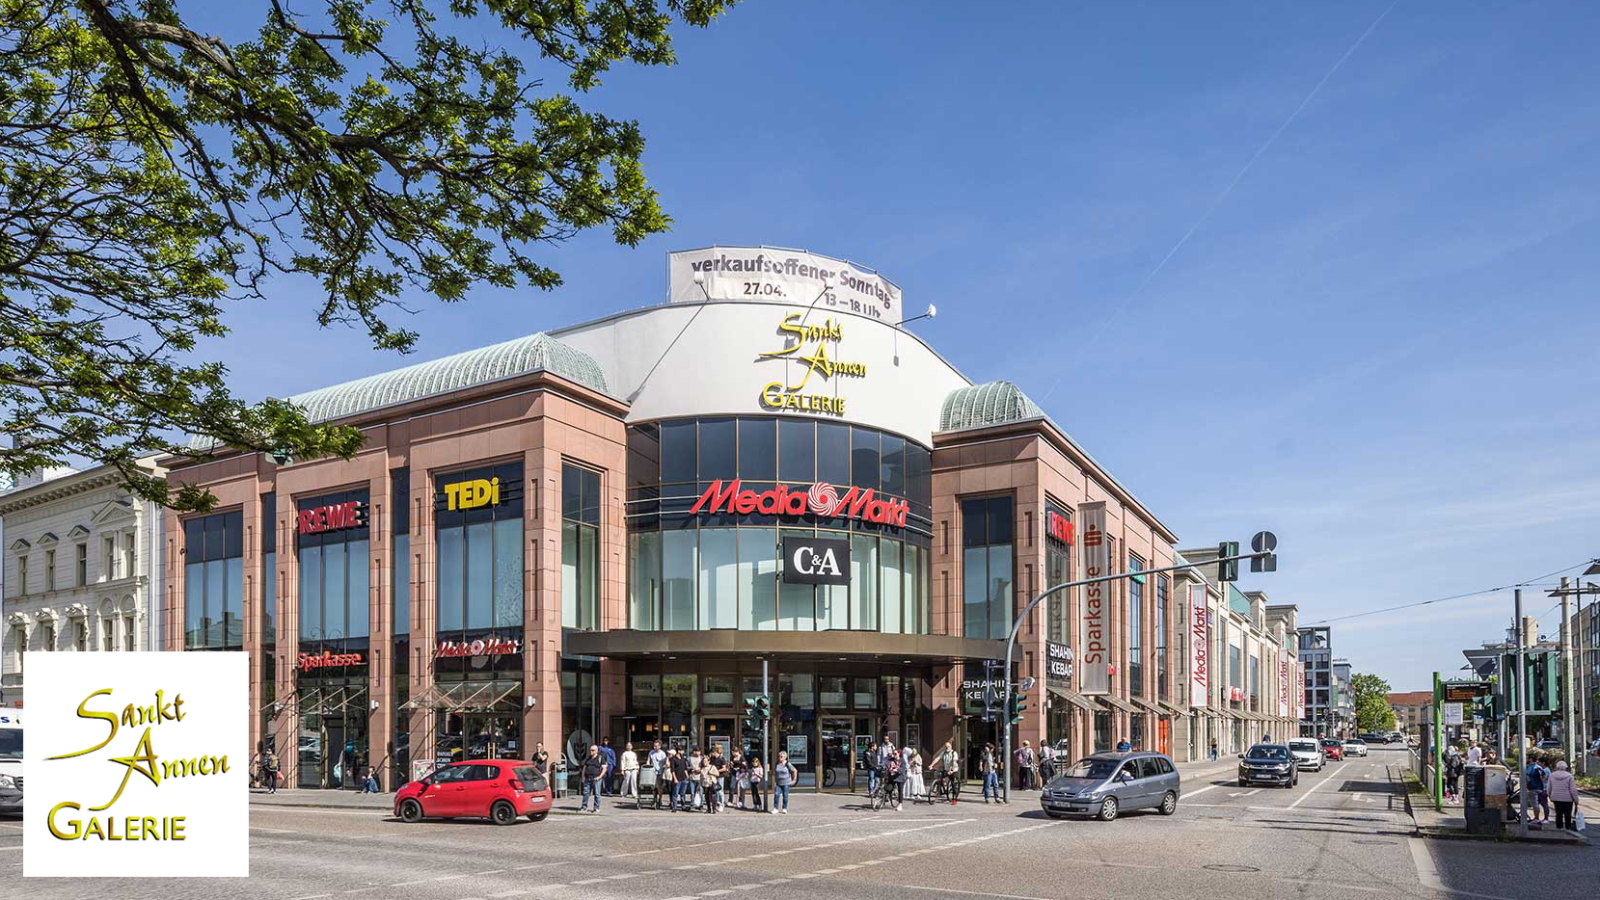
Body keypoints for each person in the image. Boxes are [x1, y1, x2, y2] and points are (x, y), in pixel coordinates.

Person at [1547, 760, 1579, 831]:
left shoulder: (1552, 775)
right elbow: (1573, 790)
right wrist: (1576, 800)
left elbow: (1549, 788)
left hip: (1556, 798)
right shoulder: (1569, 776)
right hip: (1568, 799)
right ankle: (1567, 827)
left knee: (1558, 813)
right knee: (1568, 814)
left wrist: (1550, 796)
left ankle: (1559, 827)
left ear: (1557, 767)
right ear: (1565, 767)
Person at [579, 743, 608, 813]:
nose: (591, 752)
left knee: (597, 794)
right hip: (587, 778)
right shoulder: (588, 758)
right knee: (586, 793)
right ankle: (584, 807)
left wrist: (600, 777)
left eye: (593, 750)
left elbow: (604, 768)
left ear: (596, 751)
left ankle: (596, 808)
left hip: (596, 778)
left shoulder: (600, 758)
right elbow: (584, 768)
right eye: (590, 750)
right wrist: (583, 777)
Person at [1525, 752, 1550, 823]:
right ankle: (1538, 818)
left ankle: (1536, 818)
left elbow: (1527, 777)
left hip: (1533, 787)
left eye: (1527, 758)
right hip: (1540, 788)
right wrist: (1540, 781)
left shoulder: (1530, 767)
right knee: (1540, 803)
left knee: (1534, 804)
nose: (1526, 759)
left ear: (1530, 759)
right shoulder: (1539, 767)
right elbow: (1543, 775)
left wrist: (1529, 783)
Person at [648, 740, 668, 809]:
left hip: (660, 772)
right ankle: (654, 798)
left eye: (656, 746)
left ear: (660, 746)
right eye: (654, 746)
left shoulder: (662, 754)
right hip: (652, 772)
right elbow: (648, 760)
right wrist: (647, 766)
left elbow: (665, 762)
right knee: (653, 786)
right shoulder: (651, 752)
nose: (655, 747)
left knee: (659, 787)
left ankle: (660, 799)